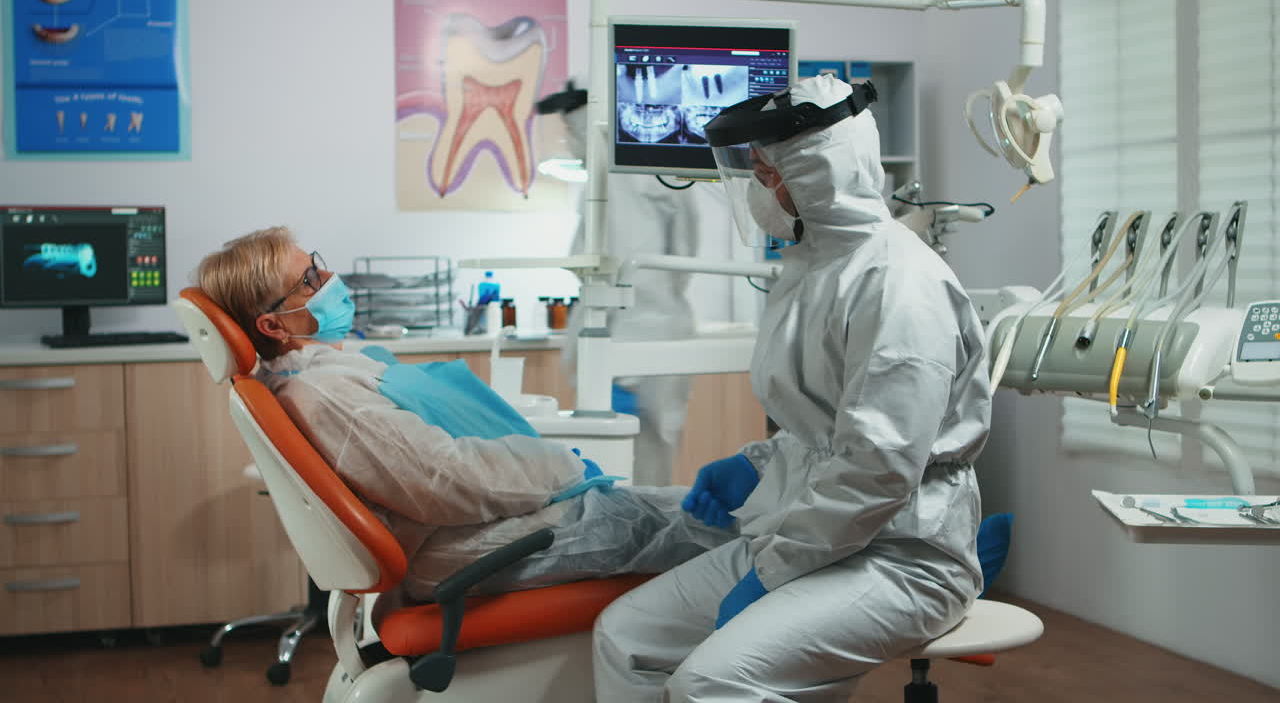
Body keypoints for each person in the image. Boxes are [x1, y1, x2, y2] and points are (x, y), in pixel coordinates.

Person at [592, 74, 992, 700]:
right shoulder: (814, 268)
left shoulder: (900, 285)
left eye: (764, 173)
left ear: (814, 174)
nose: (757, 189)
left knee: (711, 682)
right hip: (813, 537)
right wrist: (755, 465)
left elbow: (878, 468)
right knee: (627, 634)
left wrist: (770, 574)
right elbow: (824, 430)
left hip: (903, 557)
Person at [195, 227, 735, 602]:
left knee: (692, 512)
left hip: (482, 531)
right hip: (475, 549)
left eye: (316, 262)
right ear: (273, 326)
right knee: (720, 531)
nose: (329, 277)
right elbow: (448, 480)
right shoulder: (326, 394)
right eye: (309, 280)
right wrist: (562, 466)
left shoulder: (325, 374)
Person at [537, 82, 701, 487]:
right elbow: (682, 252)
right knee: (645, 459)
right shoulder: (639, 172)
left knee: (638, 466)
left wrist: (617, 368)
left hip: (636, 337)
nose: (570, 143)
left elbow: (618, 268)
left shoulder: (621, 177)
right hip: (646, 332)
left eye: (572, 131)